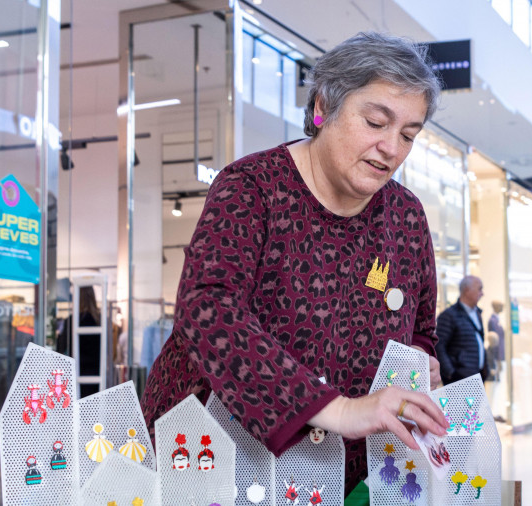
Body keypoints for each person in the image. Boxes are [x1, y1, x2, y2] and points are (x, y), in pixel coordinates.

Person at [140, 32, 448, 498]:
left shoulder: (405, 216)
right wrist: (338, 409)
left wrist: (418, 366)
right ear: (324, 105)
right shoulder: (252, 188)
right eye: (375, 122)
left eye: (408, 135)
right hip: (214, 461)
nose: (392, 148)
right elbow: (209, 309)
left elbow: (422, 328)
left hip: (341, 477)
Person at [435, 276, 489, 384]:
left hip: (476, 378)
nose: (482, 293)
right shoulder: (449, 316)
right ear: (467, 290)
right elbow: (439, 346)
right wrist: (451, 373)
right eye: (479, 289)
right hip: (459, 380)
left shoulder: (477, 314)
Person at [487, 300, 506, 379]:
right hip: (495, 352)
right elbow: (493, 339)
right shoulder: (492, 321)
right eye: (500, 306)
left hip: (499, 352)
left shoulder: (497, 320)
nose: (502, 308)